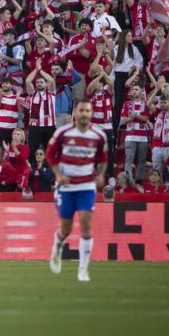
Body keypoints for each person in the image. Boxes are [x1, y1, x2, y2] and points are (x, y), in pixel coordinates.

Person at [46, 100, 109, 282]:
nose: (84, 114)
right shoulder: (63, 133)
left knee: (86, 224)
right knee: (65, 229)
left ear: (91, 113)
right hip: (66, 185)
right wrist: (58, 175)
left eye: (87, 111)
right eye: (81, 110)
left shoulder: (99, 135)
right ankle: (57, 247)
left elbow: (104, 158)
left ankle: (83, 269)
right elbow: (50, 154)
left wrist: (101, 175)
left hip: (86, 185)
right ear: (75, 113)